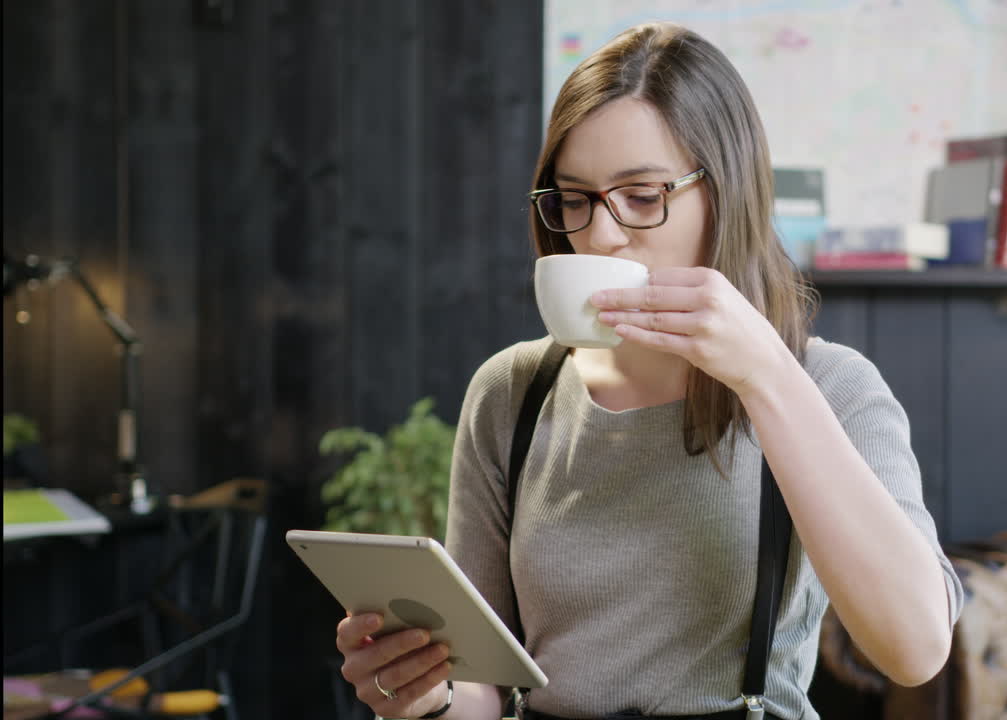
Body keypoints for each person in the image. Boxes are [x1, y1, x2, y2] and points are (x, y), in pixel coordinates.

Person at [335, 22, 963, 720]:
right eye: (574, 198)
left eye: (641, 196)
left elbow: (916, 649)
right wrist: (429, 694)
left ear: (725, 195)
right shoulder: (513, 392)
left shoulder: (830, 388)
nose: (600, 234)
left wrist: (767, 378)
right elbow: (485, 686)